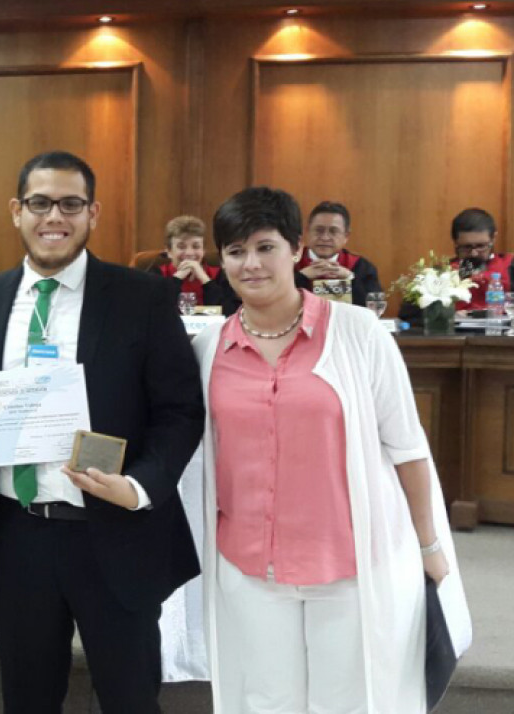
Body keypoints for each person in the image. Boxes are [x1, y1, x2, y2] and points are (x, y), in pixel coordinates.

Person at [192, 186, 472, 713]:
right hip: (252, 568)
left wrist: (430, 547)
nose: (250, 264)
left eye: (265, 247)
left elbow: (408, 449)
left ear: (296, 249)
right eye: (234, 252)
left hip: (350, 563)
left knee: (350, 703)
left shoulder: (358, 333)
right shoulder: (209, 349)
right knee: (266, 701)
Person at [0, 150, 203, 712]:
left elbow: (181, 411)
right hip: (16, 536)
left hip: (114, 531)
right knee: (28, 699)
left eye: (70, 204)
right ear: (17, 211)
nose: (53, 217)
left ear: (93, 213)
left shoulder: (141, 297)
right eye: (39, 203)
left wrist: (138, 487)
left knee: (130, 699)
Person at [296, 200, 382, 306]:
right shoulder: (290, 263)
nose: (325, 237)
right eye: (319, 230)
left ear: (346, 236)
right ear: (308, 231)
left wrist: (350, 279)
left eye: (333, 231)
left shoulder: (361, 267)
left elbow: (375, 309)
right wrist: (300, 277)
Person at [145, 214, 222, 307]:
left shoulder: (218, 274)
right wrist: (177, 278)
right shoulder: (156, 274)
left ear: (203, 250)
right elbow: (154, 307)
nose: (189, 253)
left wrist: (204, 279)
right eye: (181, 247)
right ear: (169, 251)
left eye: (196, 246)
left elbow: (228, 312)